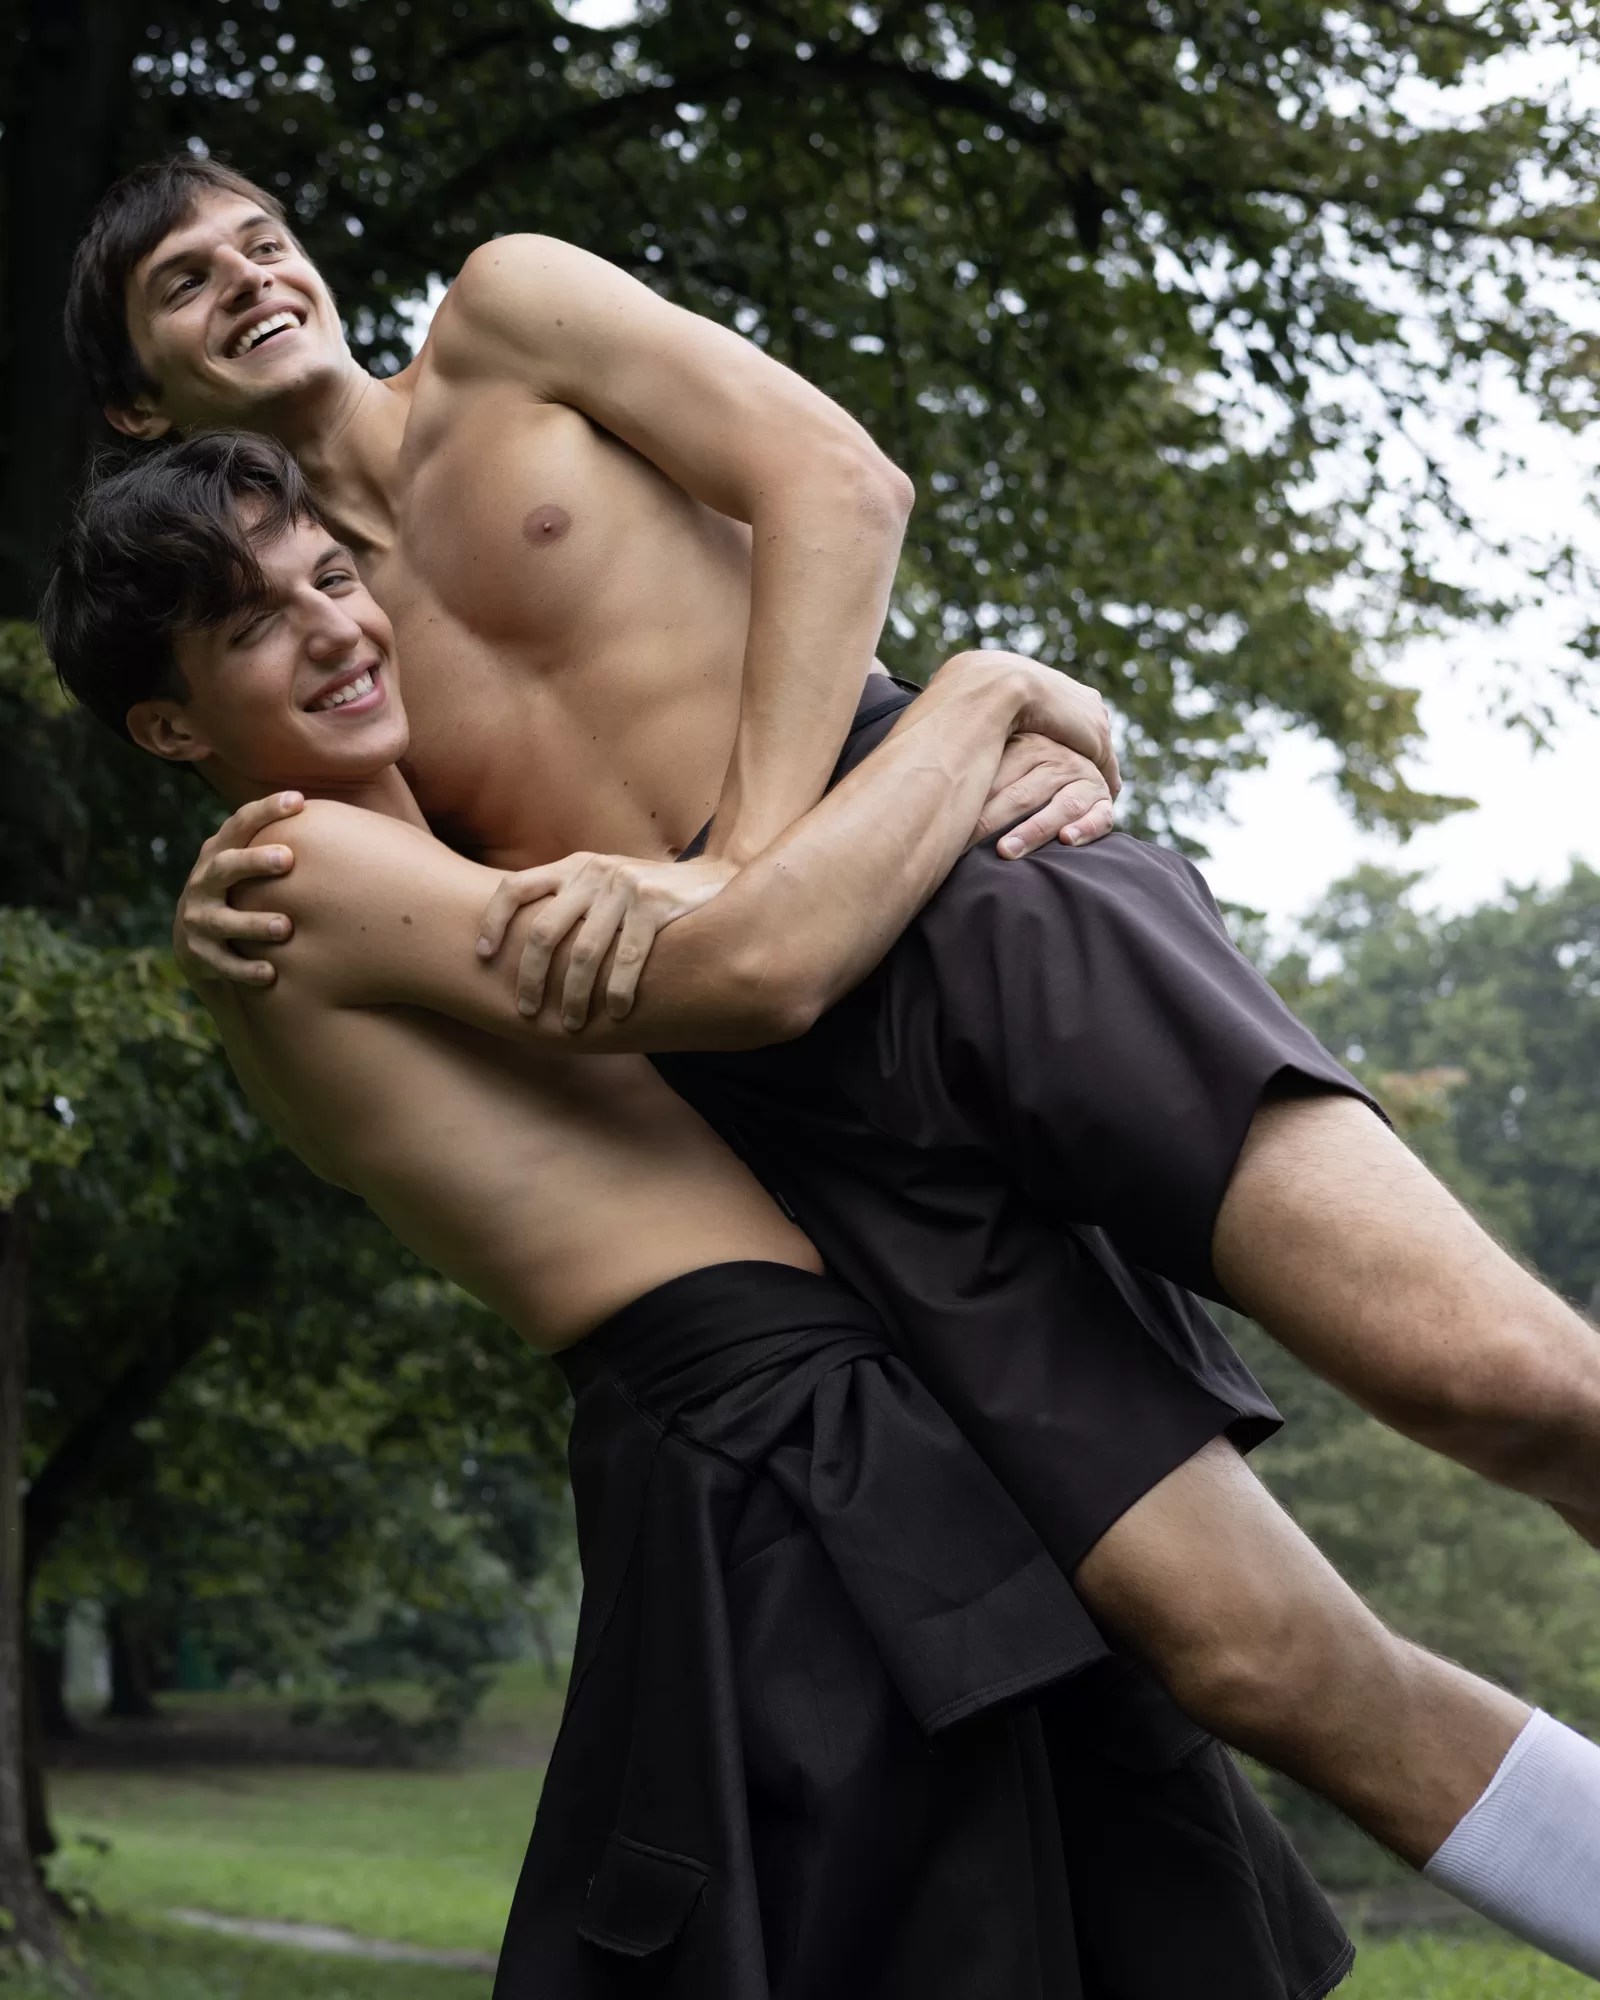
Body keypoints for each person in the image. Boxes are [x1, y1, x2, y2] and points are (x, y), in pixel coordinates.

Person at [65, 158, 1600, 1968]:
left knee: (1500, 1379)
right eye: (185, 283)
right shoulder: (332, 699)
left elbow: (841, 484)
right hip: (777, 1099)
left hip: (956, 900)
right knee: (1245, 1656)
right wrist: (217, 910)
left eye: (259, 239)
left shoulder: (508, 316)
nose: (248, 277)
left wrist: (777, 838)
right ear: (138, 403)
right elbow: (409, 952)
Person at [43, 434, 1359, 2000]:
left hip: (802, 1413)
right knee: (956, 1933)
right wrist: (977, 700)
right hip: (760, 1437)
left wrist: (1005, 773)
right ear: (170, 722)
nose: (335, 626)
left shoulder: (422, 859)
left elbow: (730, 904)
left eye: (334, 575)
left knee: (1049, 1902)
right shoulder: (303, 869)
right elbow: (753, 963)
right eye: (258, 623)